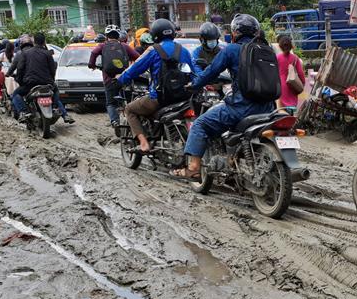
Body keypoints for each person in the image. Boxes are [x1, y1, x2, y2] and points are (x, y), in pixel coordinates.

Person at [171, 14, 274, 180]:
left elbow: (211, 71)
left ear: (235, 33)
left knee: (199, 124)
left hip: (241, 108)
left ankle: (193, 168)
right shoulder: (267, 49)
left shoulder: (231, 50)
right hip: (268, 108)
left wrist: (194, 85)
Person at [115, 18, 200, 153]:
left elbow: (134, 69)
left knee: (129, 109)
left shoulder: (153, 50)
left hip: (159, 99)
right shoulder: (183, 51)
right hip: (183, 98)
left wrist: (119, 80)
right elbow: (194, 73)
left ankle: (144, 143)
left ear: (154, 35)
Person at [7, 33, 74, 124]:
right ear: (44, 42)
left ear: (34, 42)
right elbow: (52, 69)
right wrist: (51, 81)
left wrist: (20, 81)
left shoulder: (25, 53)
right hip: (46, 83)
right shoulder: (47, 53)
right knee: (55, 92)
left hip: (30, 84)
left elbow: (20, 69)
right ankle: (60, 111)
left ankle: (23, 112)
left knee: (15, 94)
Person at [90, 25, 140, 127]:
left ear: (106, 36)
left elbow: (94, 53)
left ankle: (115, 121)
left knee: (111, 103)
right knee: (129, 102)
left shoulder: (102, 46)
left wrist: (92, 65)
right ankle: (133, 121)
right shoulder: (124, 46)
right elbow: (138, 57)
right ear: (118, 36)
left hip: (109, 80)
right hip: (124, 78)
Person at [276, 34, 305, 111]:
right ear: (291, 46)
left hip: (281, 87)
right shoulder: (295, 58)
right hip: (292, 86)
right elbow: (301, 74)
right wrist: (302, 83)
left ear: (280, 47)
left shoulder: (277, 57)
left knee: (281, 110)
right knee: (291, 109)